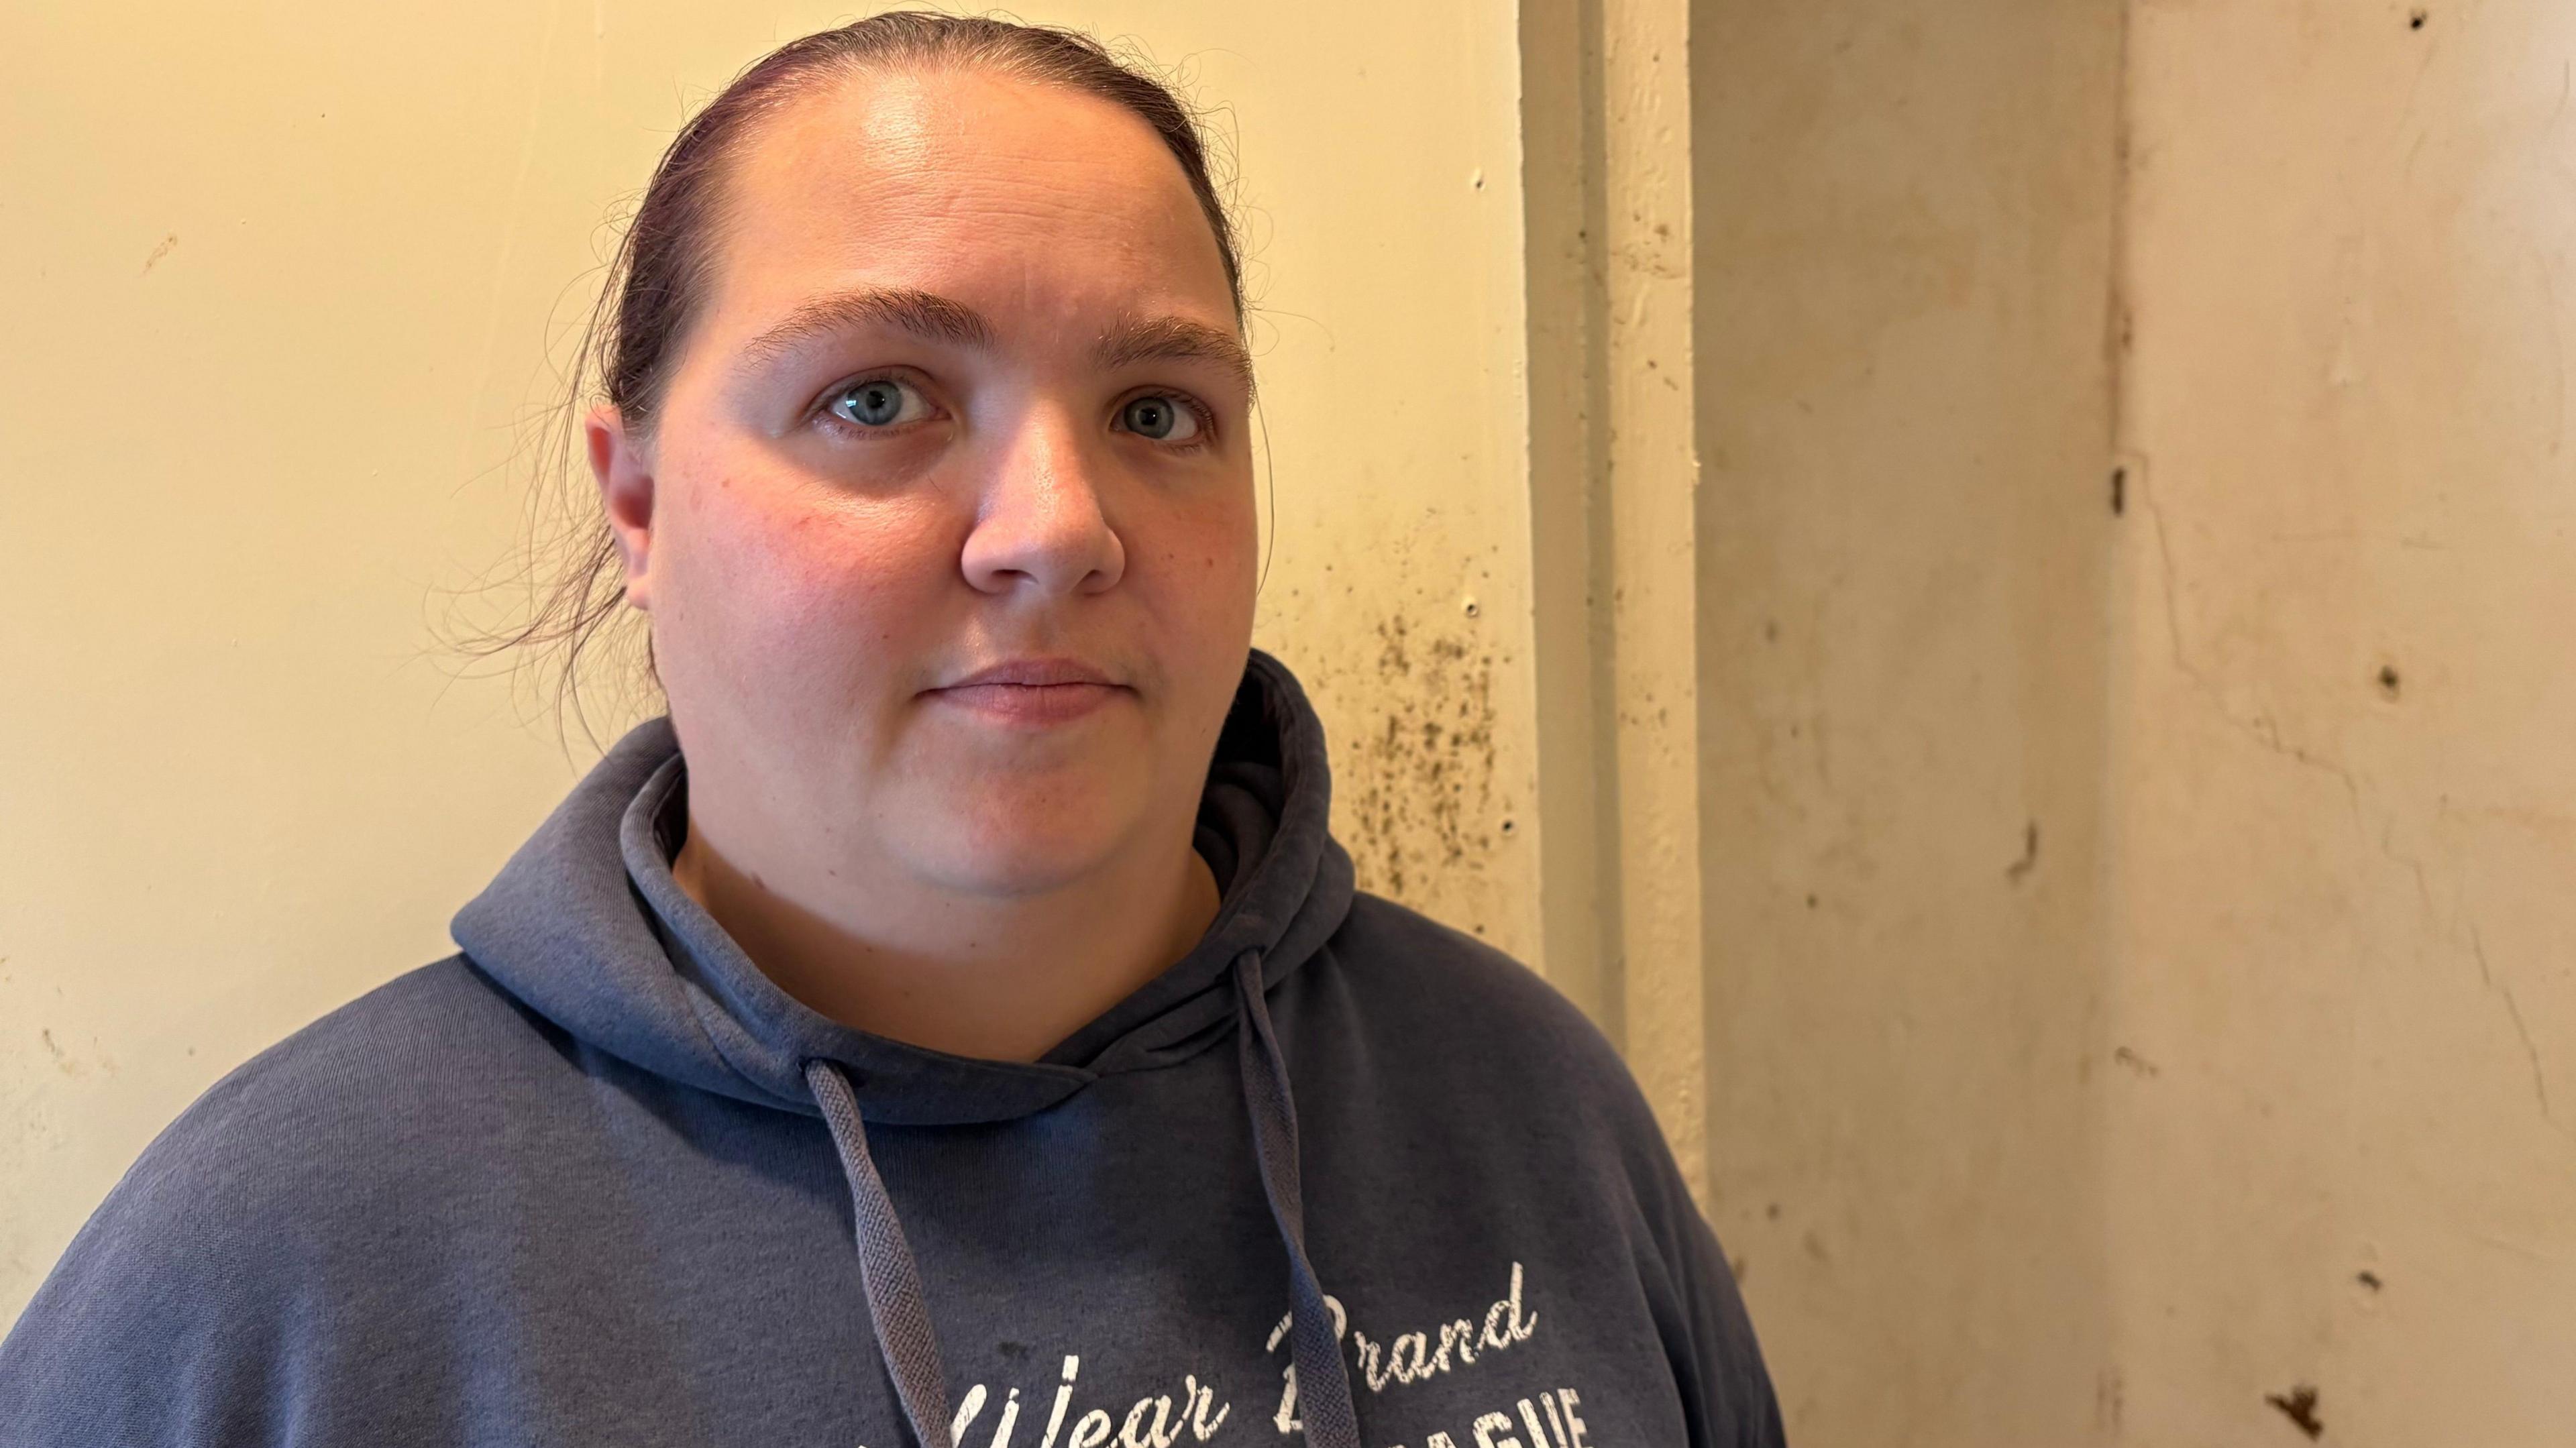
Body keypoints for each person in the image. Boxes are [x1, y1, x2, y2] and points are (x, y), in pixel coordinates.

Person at [0, 14, 1784, 1447]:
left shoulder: (1526, 1102)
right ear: (637, 506)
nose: (1060, 525)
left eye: (1160, 407)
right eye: (877, 398)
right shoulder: (276, 1277)